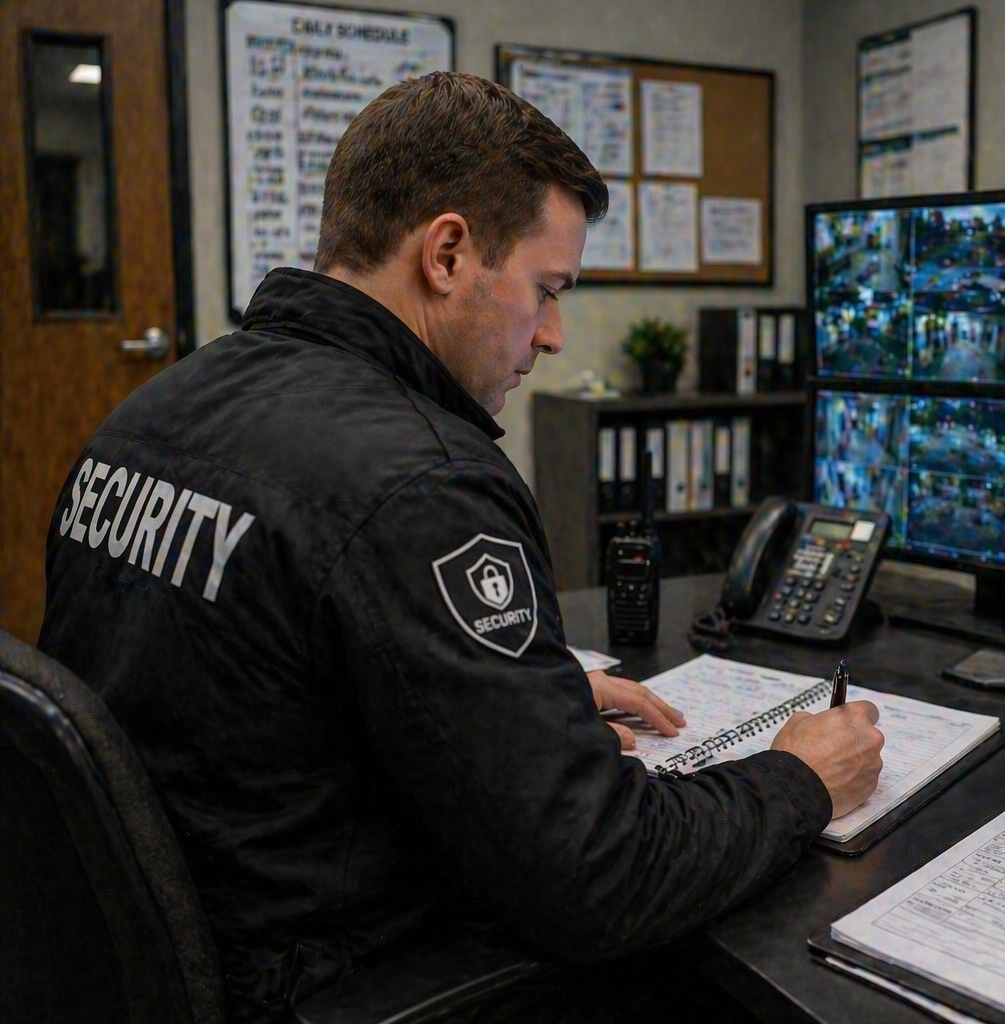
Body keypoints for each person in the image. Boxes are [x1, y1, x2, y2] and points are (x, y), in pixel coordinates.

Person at [37, 72, 884, 1024]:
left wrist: (515, 696)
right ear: (446, 253)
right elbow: (600, 875)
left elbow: (248, 691)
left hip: (159, 955)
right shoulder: (422, 480)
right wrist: (799, 778)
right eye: (546, 289)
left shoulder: (149, 414)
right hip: (325, 979)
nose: (553, 335)